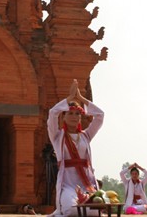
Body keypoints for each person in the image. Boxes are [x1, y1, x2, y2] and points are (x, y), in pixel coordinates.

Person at [47, 79, 104, 217]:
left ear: (80, 117)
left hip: (86, 183)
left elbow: (100, 116)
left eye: (77, 114)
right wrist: (69, 98)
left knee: (97, 211)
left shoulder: (86, 136)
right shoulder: (57, 137)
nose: (74, 116)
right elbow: (53, 112)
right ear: (64, 117)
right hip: (68, 185)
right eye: (70, 113)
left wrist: (80, 98)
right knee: (72, 210)